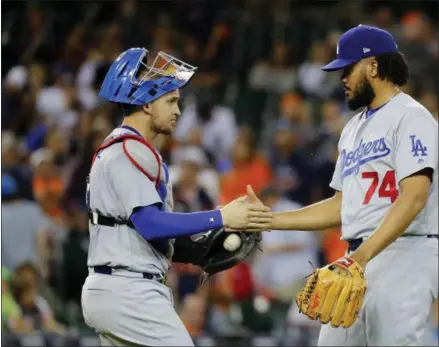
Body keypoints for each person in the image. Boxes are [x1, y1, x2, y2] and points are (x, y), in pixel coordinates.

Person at [248, 25, 438, 346]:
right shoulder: (351, 129)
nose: (342, 78)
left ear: (374, 66)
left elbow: (415, 196)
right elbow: (341, 204)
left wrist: (360, 257)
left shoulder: (412, 117)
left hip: (406, 253)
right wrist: (270, 220)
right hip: (356, 259)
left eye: (348, 69)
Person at [80, 48, 272, 346]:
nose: (178, 111)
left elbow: (140, 233)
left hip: (119, 286)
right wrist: (220, 216)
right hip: (129, 291)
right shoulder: (129, 151)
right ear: (145, 104)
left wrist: (198, 251)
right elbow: (150, 224)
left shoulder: (123, 149)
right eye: (170, 101)